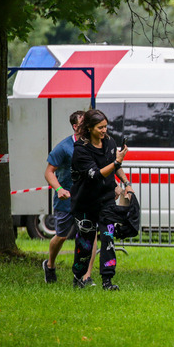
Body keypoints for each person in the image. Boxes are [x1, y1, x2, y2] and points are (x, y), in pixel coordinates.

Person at [70, 109, 133, 290]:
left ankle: (107, 281)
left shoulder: (110, 142)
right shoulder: (81, 150)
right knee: (85, 243)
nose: (104, 130)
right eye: (100, 127)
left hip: (106, 200)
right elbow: (96, 175)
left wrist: (125, 183)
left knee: (108, 238)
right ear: (89, 128)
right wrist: (117, 162)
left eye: (106, 126)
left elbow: (114, 166)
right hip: (85, 202)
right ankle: (79, 277)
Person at [42, 111, 98, 283]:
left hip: (87, 199)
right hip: (66, 199)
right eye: (83, 124)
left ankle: (85, 276)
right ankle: (50, 264)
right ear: (75, 127)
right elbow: (49, 172)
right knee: (61, 236)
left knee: (91, 234)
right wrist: (59, 188)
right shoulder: (64, 147)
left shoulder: (94, 145)